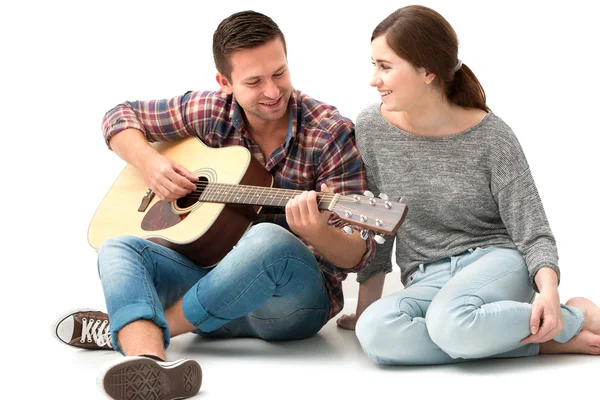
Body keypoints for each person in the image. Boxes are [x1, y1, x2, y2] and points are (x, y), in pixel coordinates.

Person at [52, 10, 376, 399]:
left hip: (287, 309)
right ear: (224, 82)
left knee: (268, 239)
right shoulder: (209, 111)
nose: (272, 91)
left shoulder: (329, 131)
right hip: (208, 287)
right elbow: (119, 117)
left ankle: (138, 332)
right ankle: (152, 363)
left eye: (280, 73)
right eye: (254, 81)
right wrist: (151, 163)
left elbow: (358, 252)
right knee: (118, 246)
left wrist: (318, 232)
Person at [349, 5, 600, 364]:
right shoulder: (372, 128)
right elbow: (380, 226)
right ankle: (540, 337)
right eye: (373, 64)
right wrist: (364, 309)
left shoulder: (492, 137)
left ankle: (567, 316)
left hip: (496, 262)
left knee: (449, 324)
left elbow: (533, 232)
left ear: (427, 71)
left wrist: (547, 290)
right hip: (426, 276)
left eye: (385, 66)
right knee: (374, 335)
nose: (374, 78)